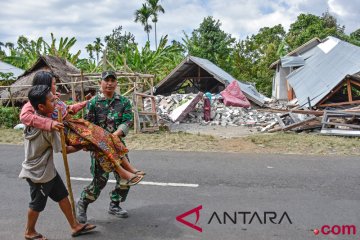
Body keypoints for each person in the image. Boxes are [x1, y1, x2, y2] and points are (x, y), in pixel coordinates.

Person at [20, 71, 144, 187]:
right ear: (45, 86)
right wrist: (50, 124)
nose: (56, 86)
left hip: (74, 124)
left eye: (113, 81)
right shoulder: (35, 102)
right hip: (67, 130)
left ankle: (128, 168)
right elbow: (24, 116)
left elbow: (69, 109)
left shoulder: (55, 98)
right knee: (99, 142)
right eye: (54, 84)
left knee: (105, 136)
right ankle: (122, 172)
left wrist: (85, 102)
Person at [19, 85, 96, 240]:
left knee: (62, 195)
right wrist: (83, 145)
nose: (55, 104)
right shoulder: (49, 127)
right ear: (41, 106)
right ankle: (29, 231)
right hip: (38, 173)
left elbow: (66, 109)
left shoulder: (34, 118)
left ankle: (75, 226)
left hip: (47, 170)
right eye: (52, 101)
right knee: (37, 204)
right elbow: (64, 150)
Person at [76, 71, 136, 223]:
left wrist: (115, 135)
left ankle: (114, 204)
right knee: (100, 181)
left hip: (118, 147)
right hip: (100, 148)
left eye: (112, 80)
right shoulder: (93, 103)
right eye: (106, 80)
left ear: (116, 83)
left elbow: (128, 120)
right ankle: (83, 202)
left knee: (125, 178)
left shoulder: (124, 102)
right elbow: (88, 126)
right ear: (100, 83)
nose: (109, 83)